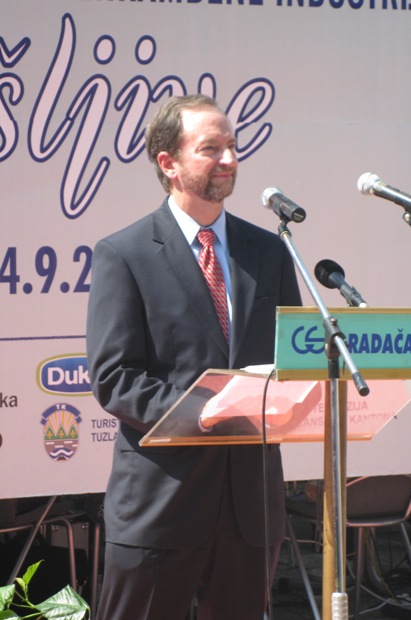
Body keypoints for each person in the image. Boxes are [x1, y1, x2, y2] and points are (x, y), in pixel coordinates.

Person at [86, 94, 302, 620]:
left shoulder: (269, 251)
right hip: (162, 504)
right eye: (211, 148)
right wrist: (204, 409)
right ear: (169, 162)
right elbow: (115, 377)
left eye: (232, 146)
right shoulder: (125, 254)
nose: (229, 159)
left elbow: (294, 358)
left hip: (251, 506)